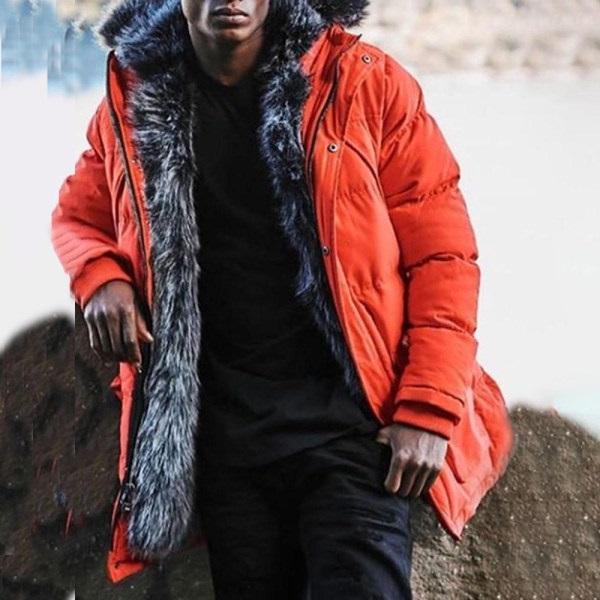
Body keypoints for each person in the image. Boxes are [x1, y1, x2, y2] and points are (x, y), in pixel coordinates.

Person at [50, 0, 515, 596]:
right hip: (228, 442)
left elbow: (443, 257)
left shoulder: (363, 83)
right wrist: (100, 276)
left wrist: (427, 409)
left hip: (355, 432)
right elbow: (78, 215)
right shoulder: (138, 99)